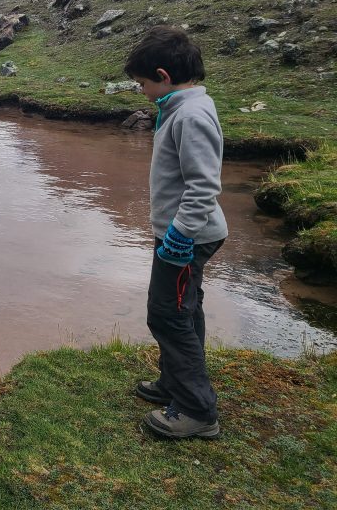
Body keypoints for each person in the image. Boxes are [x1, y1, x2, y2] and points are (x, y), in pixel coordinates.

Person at [124, 26, 228, 439]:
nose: (142, 91)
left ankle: (196, 411)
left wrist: (179, 238)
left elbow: (204, 185)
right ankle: (174, 381)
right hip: (180, 233)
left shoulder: (191, 115)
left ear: (163, 76)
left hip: (186, 238)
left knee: (167, 314)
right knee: (184, 308)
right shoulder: (179, 107)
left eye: (143, 84)